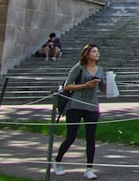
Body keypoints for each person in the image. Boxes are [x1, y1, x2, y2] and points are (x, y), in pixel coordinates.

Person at [53, 44, 105, 179]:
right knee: (71, 137)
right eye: (94, 51)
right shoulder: (79, 67)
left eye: (98, 51)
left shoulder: (100, 69)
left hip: (92, 106)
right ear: (87, 54)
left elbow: (103, 88)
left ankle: (89, 168)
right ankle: (57, 161)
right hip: (75, 105)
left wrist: (107, 83)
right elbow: (67, 86)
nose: (97, 53)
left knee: (91, 138)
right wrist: (85, 85)